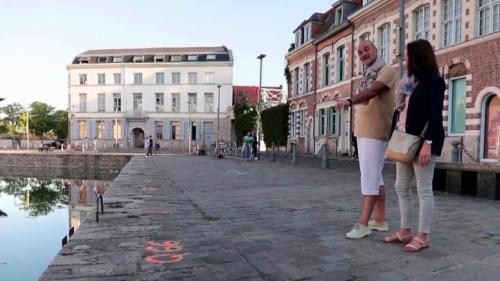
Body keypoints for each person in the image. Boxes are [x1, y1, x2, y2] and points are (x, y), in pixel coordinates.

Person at [383, 39, 445, 252]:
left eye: (408, 55)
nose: (405, 58)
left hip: (422, 141)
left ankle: (423, 235)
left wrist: (428, 143)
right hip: (404, 140)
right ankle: (405, 230)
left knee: (423, 189)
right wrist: (400, 99)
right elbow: (402, 111)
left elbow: (435, 115)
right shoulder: (409, 82)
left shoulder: (434, 82)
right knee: (401, 187)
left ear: (418, 57)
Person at [336, 40, 396, 239]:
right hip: (364, 131)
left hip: (376, 131)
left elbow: (373, 91)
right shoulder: (367, 75)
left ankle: (363, 223)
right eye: (360, 52)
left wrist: (350, 101)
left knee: (369, 177)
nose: (363, 54)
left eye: (366, 49)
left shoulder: (386, 71)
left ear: (376, 49)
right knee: (375, 176)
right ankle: (380, 219)